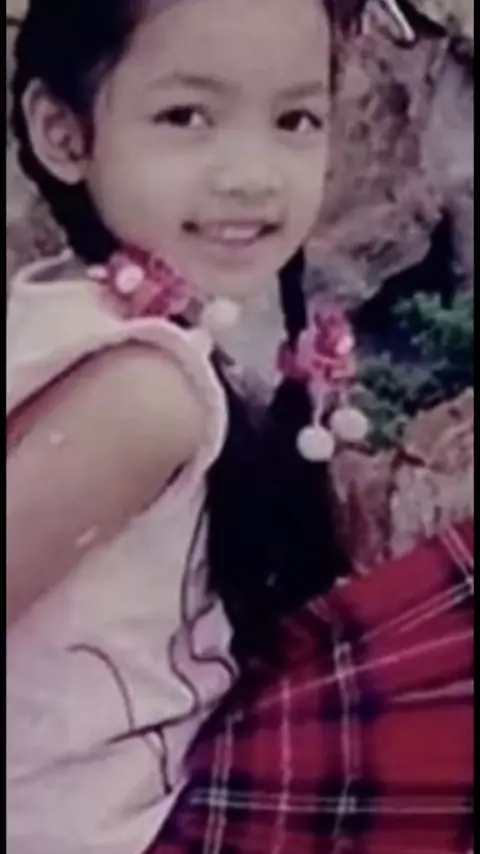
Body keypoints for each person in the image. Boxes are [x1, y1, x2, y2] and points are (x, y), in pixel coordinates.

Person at [7, 1, 362, 852]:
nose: (252, 176)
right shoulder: (144, 394)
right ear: (64, 132)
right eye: (186, 116)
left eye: (294, 120)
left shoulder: (86, 302)